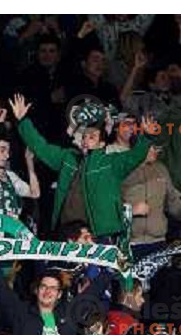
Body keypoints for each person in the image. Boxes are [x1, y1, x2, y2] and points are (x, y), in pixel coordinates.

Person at [11, 93, 156, 240]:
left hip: (99, 236)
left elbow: (134, 156)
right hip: (68, 233)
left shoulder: (111, 163)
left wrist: (147, 137)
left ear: (101, 144)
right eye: (84, 136)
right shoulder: (69, 158)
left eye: (92, 137)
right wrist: (23, 121)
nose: (86, 140)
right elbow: (41, 147)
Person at [122, 145, 181, 259]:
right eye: (152, 148)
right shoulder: (123, 169)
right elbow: (109, 207)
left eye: (158, 148)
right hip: (130, 244)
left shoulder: (161, 169)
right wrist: (130, 210)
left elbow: (173, 201)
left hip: (158, 242)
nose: (156, 152)